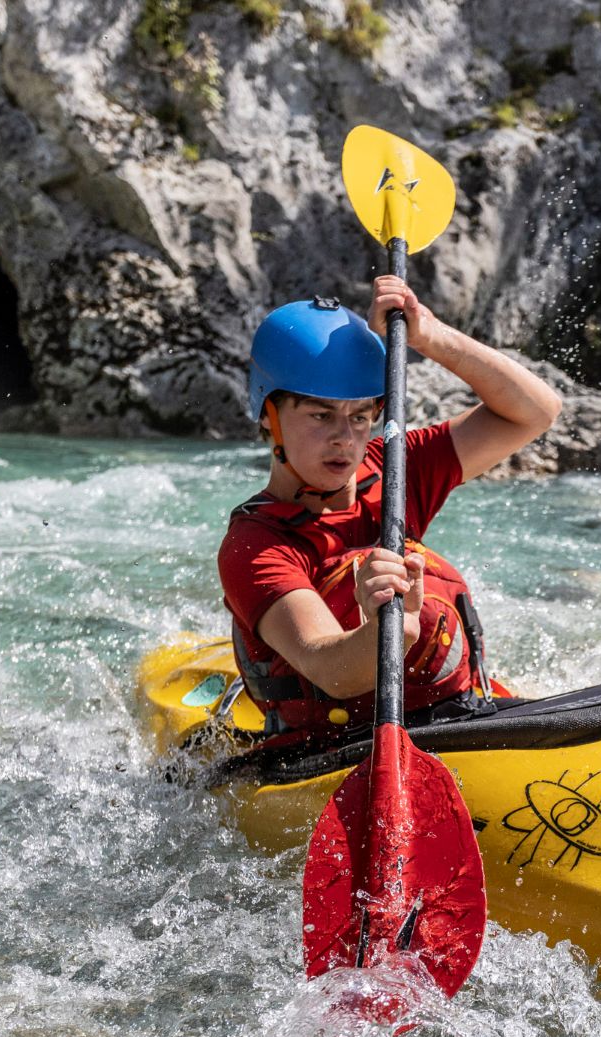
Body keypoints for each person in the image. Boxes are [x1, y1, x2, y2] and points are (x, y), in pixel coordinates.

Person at [218, 276, 560, 751]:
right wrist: (390, 629)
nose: (345, 438)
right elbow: (329, 669)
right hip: (332, 744)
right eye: (321, 415)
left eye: (360, 416)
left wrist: (430, 335)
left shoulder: (394, 467)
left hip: (454, 713)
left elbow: (535, 412)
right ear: (267, 416)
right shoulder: (256, 544)